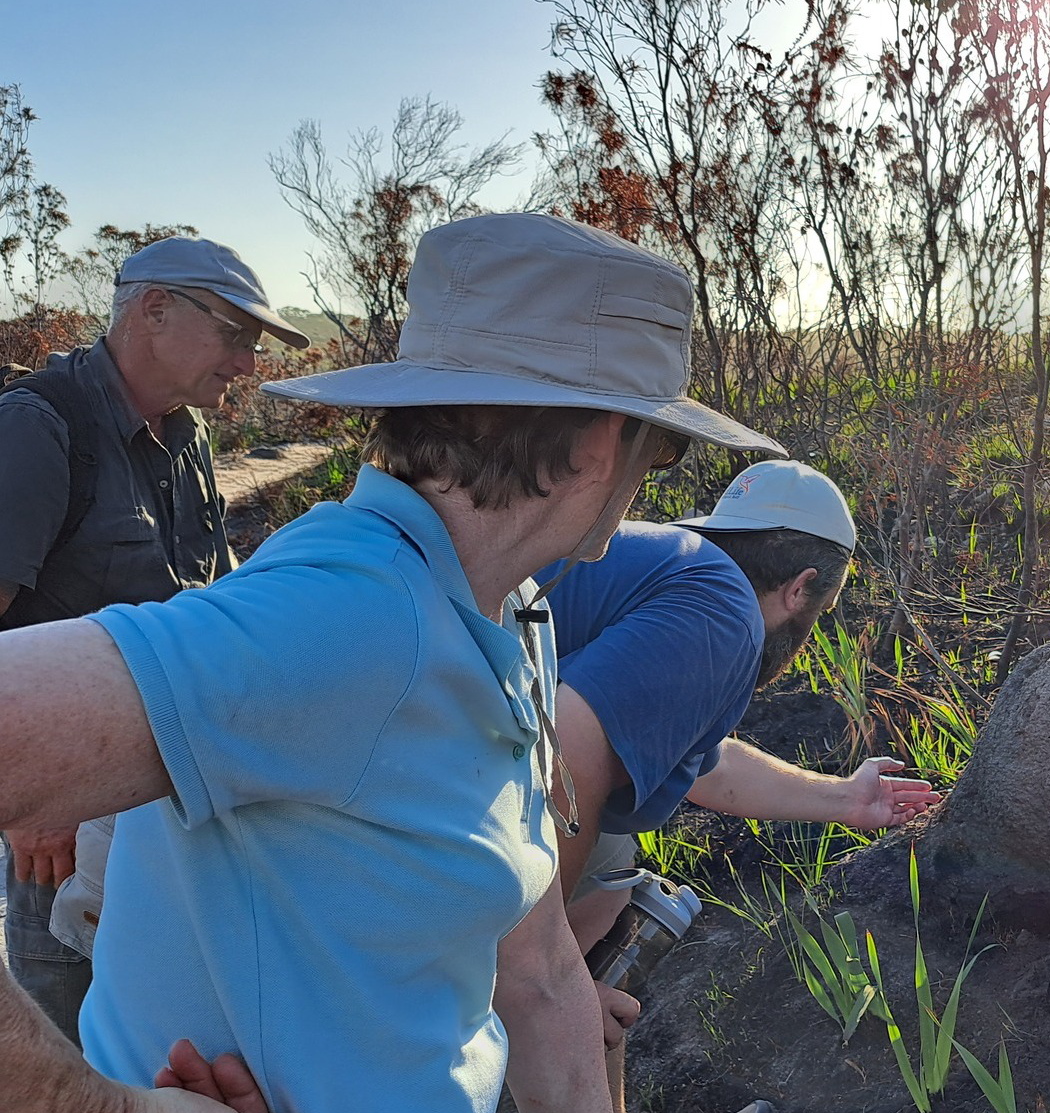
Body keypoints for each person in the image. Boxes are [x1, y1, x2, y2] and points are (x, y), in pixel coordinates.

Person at [0, 211, 784, 1113]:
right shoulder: (349, 613)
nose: (653, 474)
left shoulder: (510, 614)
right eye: (665, 446)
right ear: (598, 446)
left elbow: (532, 971)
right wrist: (94, 1104)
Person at [531, 461, 940, 1102]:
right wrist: (547, 970)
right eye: (822, 611)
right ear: (802, 589)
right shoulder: (723, 614)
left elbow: (696, 757)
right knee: (564, 996)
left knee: (587, 986)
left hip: (430, 762)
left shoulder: (675, 574)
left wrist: (843, 798)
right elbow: (568, 754)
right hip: (448, 803)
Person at [0, 237, 309, 1042]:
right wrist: (22, 800)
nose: (246, 362)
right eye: (236, 333)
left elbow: (204, 597)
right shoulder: (41, 426)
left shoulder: (187, 437)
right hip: (58, 826)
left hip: (162, 815)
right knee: (66, 1044)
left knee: (153, 1044)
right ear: (154, 310)